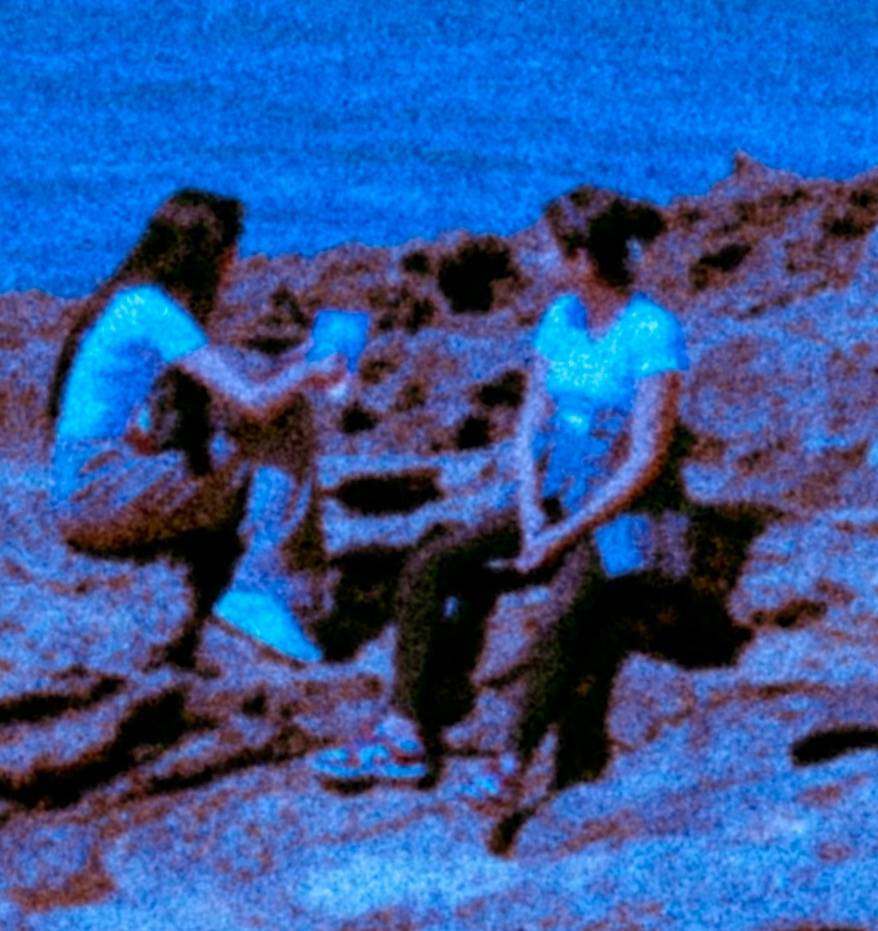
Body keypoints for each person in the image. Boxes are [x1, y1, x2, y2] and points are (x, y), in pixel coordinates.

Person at [317, 186, 697, 801]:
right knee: (431, 563)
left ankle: (511, 763)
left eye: (546, 246)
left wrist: (560, 535)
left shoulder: (653, 330)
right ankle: (401, 731)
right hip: (555, 489)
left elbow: (648, 459)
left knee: (566, 605)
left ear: (581, 258)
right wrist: (527, 509)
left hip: (627, 507)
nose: (533, 254)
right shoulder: (560, 319)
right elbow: (528, 425)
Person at [44, 186, 353, 662]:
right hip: (100, 493)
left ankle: (269, 580)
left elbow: (202, 394)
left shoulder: (129, 303)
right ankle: (265, 586)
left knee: (262, 425)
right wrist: (305, 375)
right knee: (286, 415)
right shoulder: (155, 310)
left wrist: (292, 364)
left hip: (85, 490)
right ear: (217, 255)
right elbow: (253, 404)